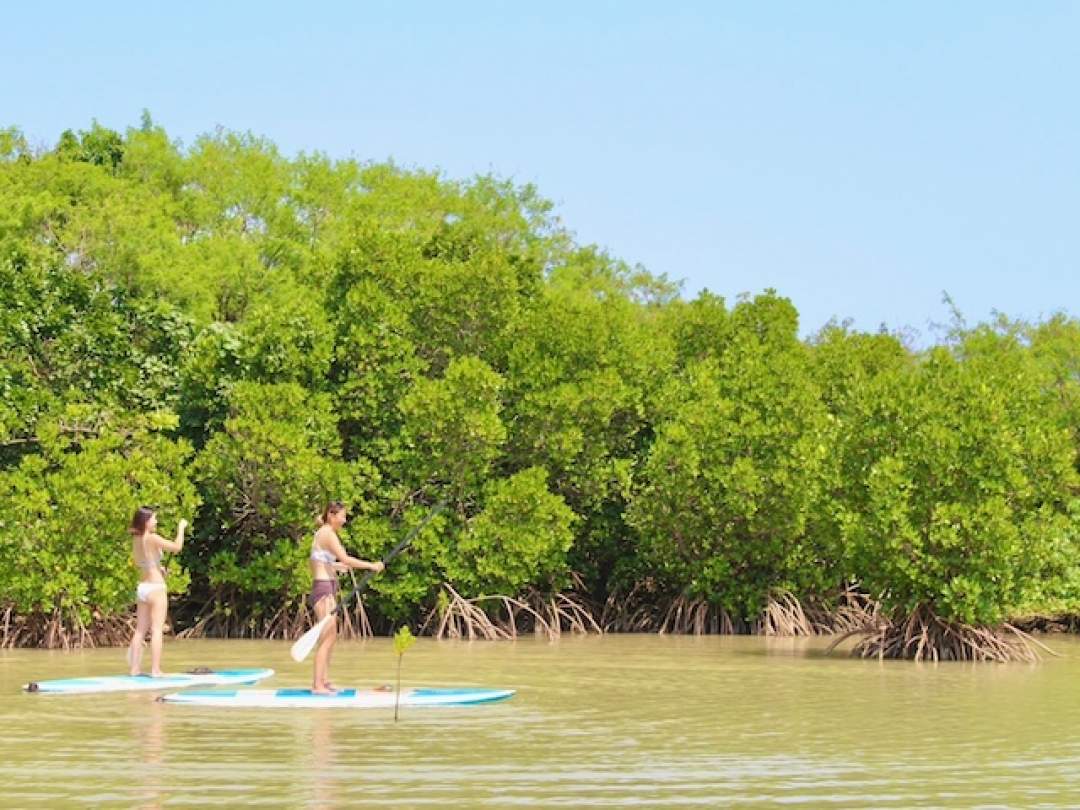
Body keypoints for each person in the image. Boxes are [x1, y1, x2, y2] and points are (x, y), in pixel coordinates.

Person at [310, 501, 383, 694]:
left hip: (328, 587)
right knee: (327, 637)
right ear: (332, 516)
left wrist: (335, 567)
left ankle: (324, 681)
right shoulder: (327, 534)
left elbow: (320, 562)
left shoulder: (325, 534)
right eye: (342, 516)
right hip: (323, 590)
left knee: (331, 636)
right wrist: (371, 565)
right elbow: (346, 558)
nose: (344, 520)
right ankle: (317, 685)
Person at [127, 506, 188, 676]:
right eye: (154, 518)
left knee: (140, 630)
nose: (156, 521)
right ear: (146, 522)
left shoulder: (136, 539)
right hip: (156, 588)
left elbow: (146, 562)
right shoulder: (152, 538)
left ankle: (135, 669)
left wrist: (158, 568)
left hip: (143, 588)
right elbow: (177, 547)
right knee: (156, 630)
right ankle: (155, 670)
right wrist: (181, 528)